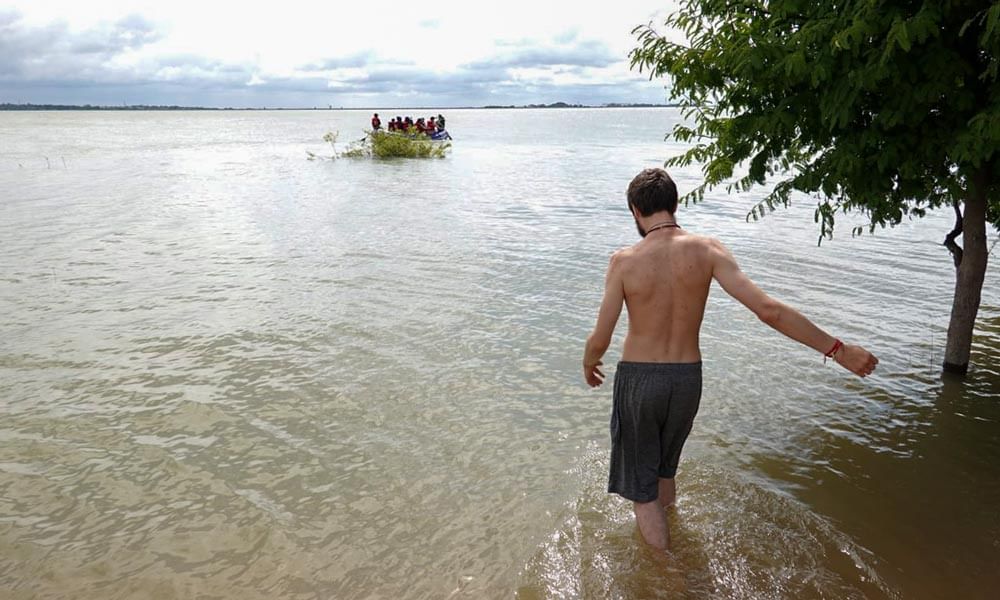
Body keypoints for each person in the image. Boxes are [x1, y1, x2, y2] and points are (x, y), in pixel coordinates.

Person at [583, 168, 878, 552]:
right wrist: (838, 350)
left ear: (636, 211)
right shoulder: (708, 250)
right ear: (674, 204)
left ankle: (668, 577)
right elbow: (769, 310)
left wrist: (589, 361)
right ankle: (672, 540)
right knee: (664, 469)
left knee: (642, 489)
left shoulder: (624, 261)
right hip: (687, 380)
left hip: (641, 380)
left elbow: (601, 337)